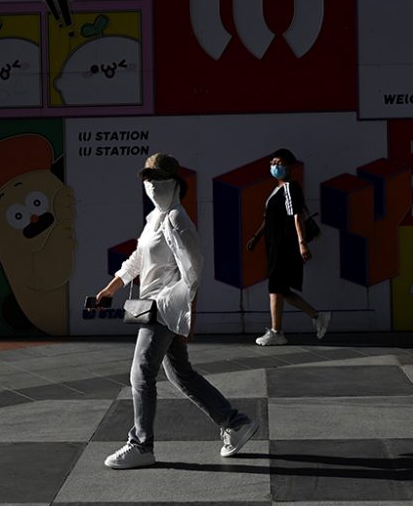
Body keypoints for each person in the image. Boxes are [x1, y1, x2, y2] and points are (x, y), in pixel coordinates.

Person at [94, 152, 259, 469]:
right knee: (180, 373)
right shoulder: (155, 218)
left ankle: (141, 445)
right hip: (153, 304)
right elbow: (139, 259)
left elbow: (193, 273)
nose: (149, 183)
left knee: (141, 373)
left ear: (172, 182)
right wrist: (111, 288)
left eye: (155, 178)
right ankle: (235, 423)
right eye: (146, 177)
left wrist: (188, 316)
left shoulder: (176, 220)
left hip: (165, 307)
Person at [247, 148, 331, 346]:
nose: (275, 167)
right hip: (274, 246)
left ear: (290, 166)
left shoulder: (290, 188)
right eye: (273, 163)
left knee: (275, 287)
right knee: (282, 290)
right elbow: (268, 219)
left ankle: (276, 332)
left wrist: (302, 243)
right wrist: (257, 237)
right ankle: (318, 316)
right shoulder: (278, 189)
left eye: (280, 163)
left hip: (285, 246)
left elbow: (297, 216)